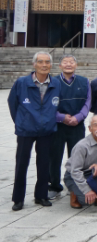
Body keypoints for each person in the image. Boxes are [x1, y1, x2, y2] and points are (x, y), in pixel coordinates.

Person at [8, 52, 61, 211]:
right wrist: (21, 121)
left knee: (44, 164)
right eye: (40, 62)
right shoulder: (22, 82)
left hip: (46, 130)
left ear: (51, 65)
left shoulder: (56, 83)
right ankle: (18, 199)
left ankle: (41, 195)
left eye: (47, 62)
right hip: (26, 130)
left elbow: (57, 104)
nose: (44, 65)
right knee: (21, 164)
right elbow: (12, 103)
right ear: (34, 64)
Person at [49, 54, 91, 200]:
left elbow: (88, 102)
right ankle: (54, 186)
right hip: (57, 126)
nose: (68, 64)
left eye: (71, 62)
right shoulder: (52, 81)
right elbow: (47, 104)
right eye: (65, 62)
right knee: (54, 156)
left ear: (76, 65)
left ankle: (74, 185)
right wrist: (62, 117)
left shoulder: (84, 81)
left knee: (77, 157)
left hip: (77, 125)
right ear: (60, 65)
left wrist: (78, 117)